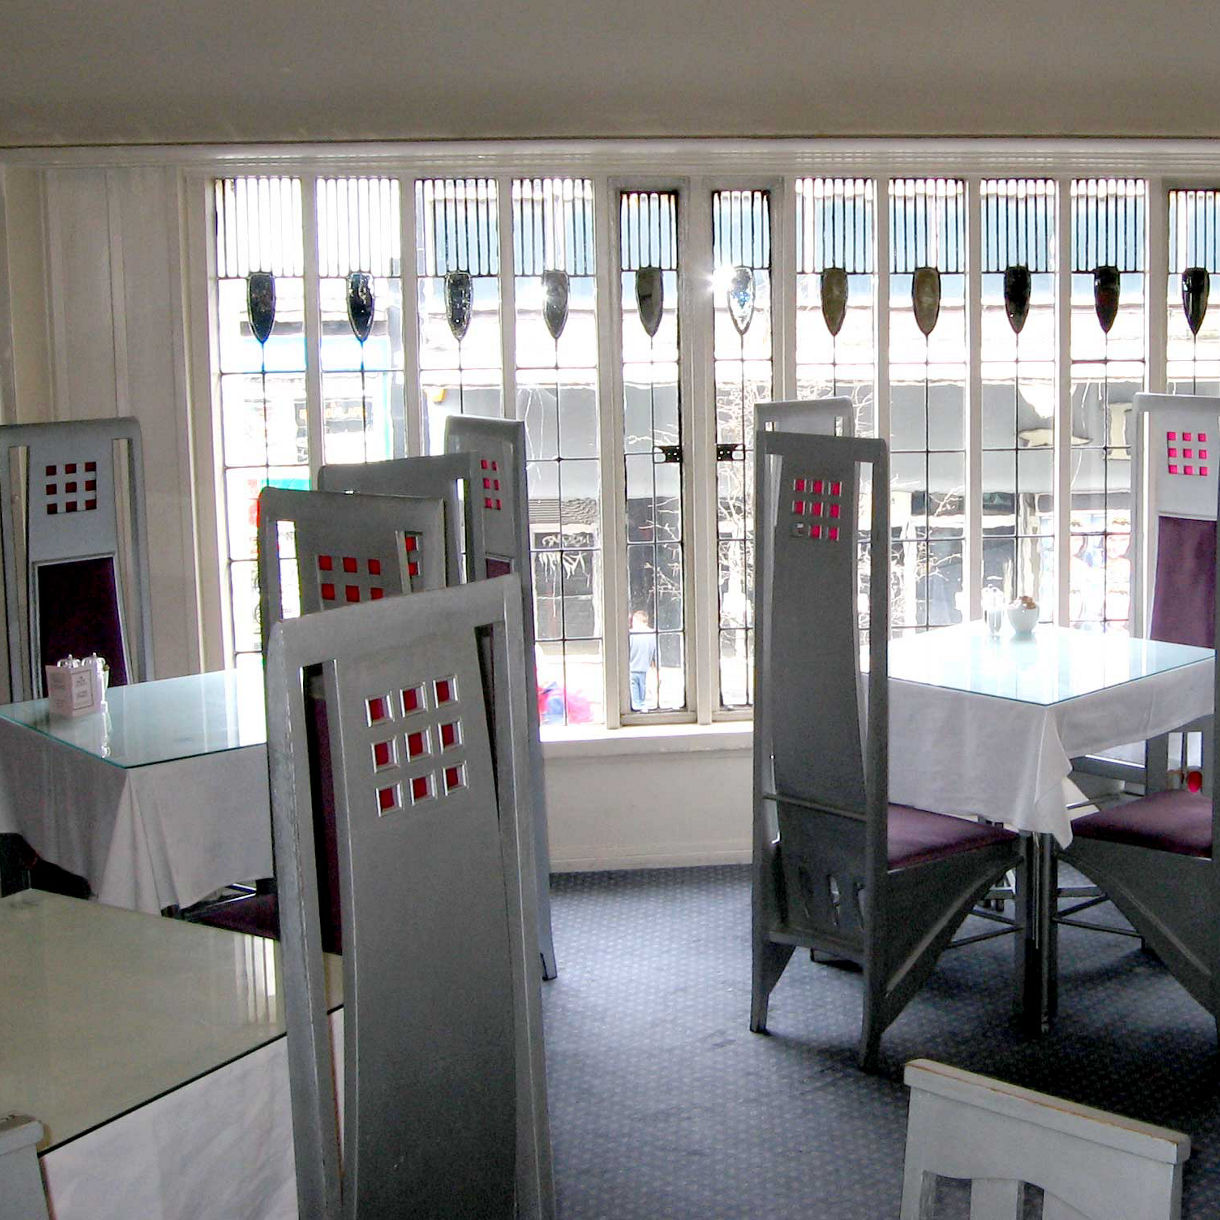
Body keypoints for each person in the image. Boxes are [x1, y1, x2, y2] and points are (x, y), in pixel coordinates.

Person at [628, 609, 658, 711]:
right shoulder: (653, 634)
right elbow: (655, 652)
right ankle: (642, 705)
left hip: (632, 667)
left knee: (634, 689)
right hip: (644, 667)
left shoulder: (631, 634)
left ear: (636, 620)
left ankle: (637, 706)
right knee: (642, 687)